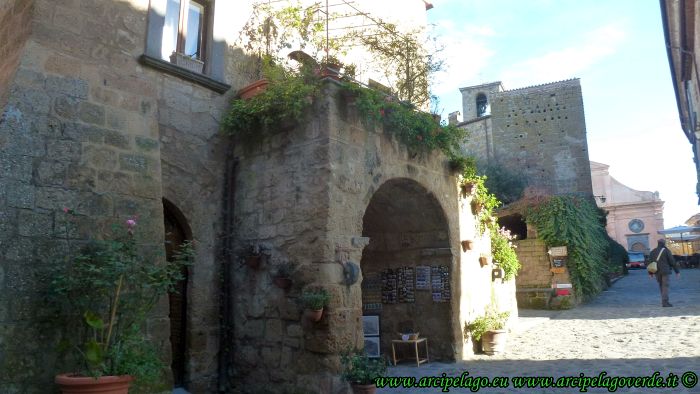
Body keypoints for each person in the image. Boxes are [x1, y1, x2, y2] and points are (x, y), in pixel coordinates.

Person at [648, 239, 680, 307]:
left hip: (656, 271)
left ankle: (664, 300)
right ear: (664, 243)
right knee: (665, 286)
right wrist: (677, 271)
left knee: (661, 286)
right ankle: (665, 302)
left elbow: (650, 263)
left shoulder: (652, 251)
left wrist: (650, 273)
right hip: (665, 271)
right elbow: (672, 261)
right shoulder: (666, 251)